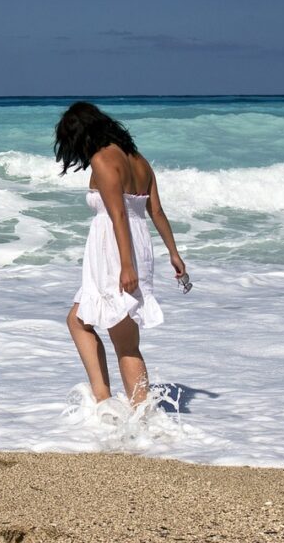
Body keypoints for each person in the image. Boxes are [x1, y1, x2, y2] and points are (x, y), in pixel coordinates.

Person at [54, 101, 187, 407]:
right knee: (88, 323)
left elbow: (118, 216)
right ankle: (120, 407)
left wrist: (126, 266)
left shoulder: (103, 160)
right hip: (137, 245)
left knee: (118, 338)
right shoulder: (140, 161)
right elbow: (156, 211)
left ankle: (125, 412)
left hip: (117, 251)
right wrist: (174, 253)